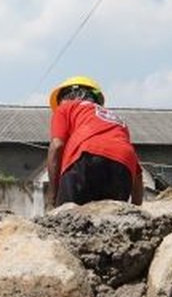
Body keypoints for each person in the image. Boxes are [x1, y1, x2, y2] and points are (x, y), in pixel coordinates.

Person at [45, 76, 144, 207]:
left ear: (68, 96)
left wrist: (52, 198)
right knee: (111, 221)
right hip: (123, 169)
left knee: (67, 216)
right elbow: (137, 175)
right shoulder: (117, 121)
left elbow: (57, 146)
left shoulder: (66, 108)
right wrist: (136, 211)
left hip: (86, 158)